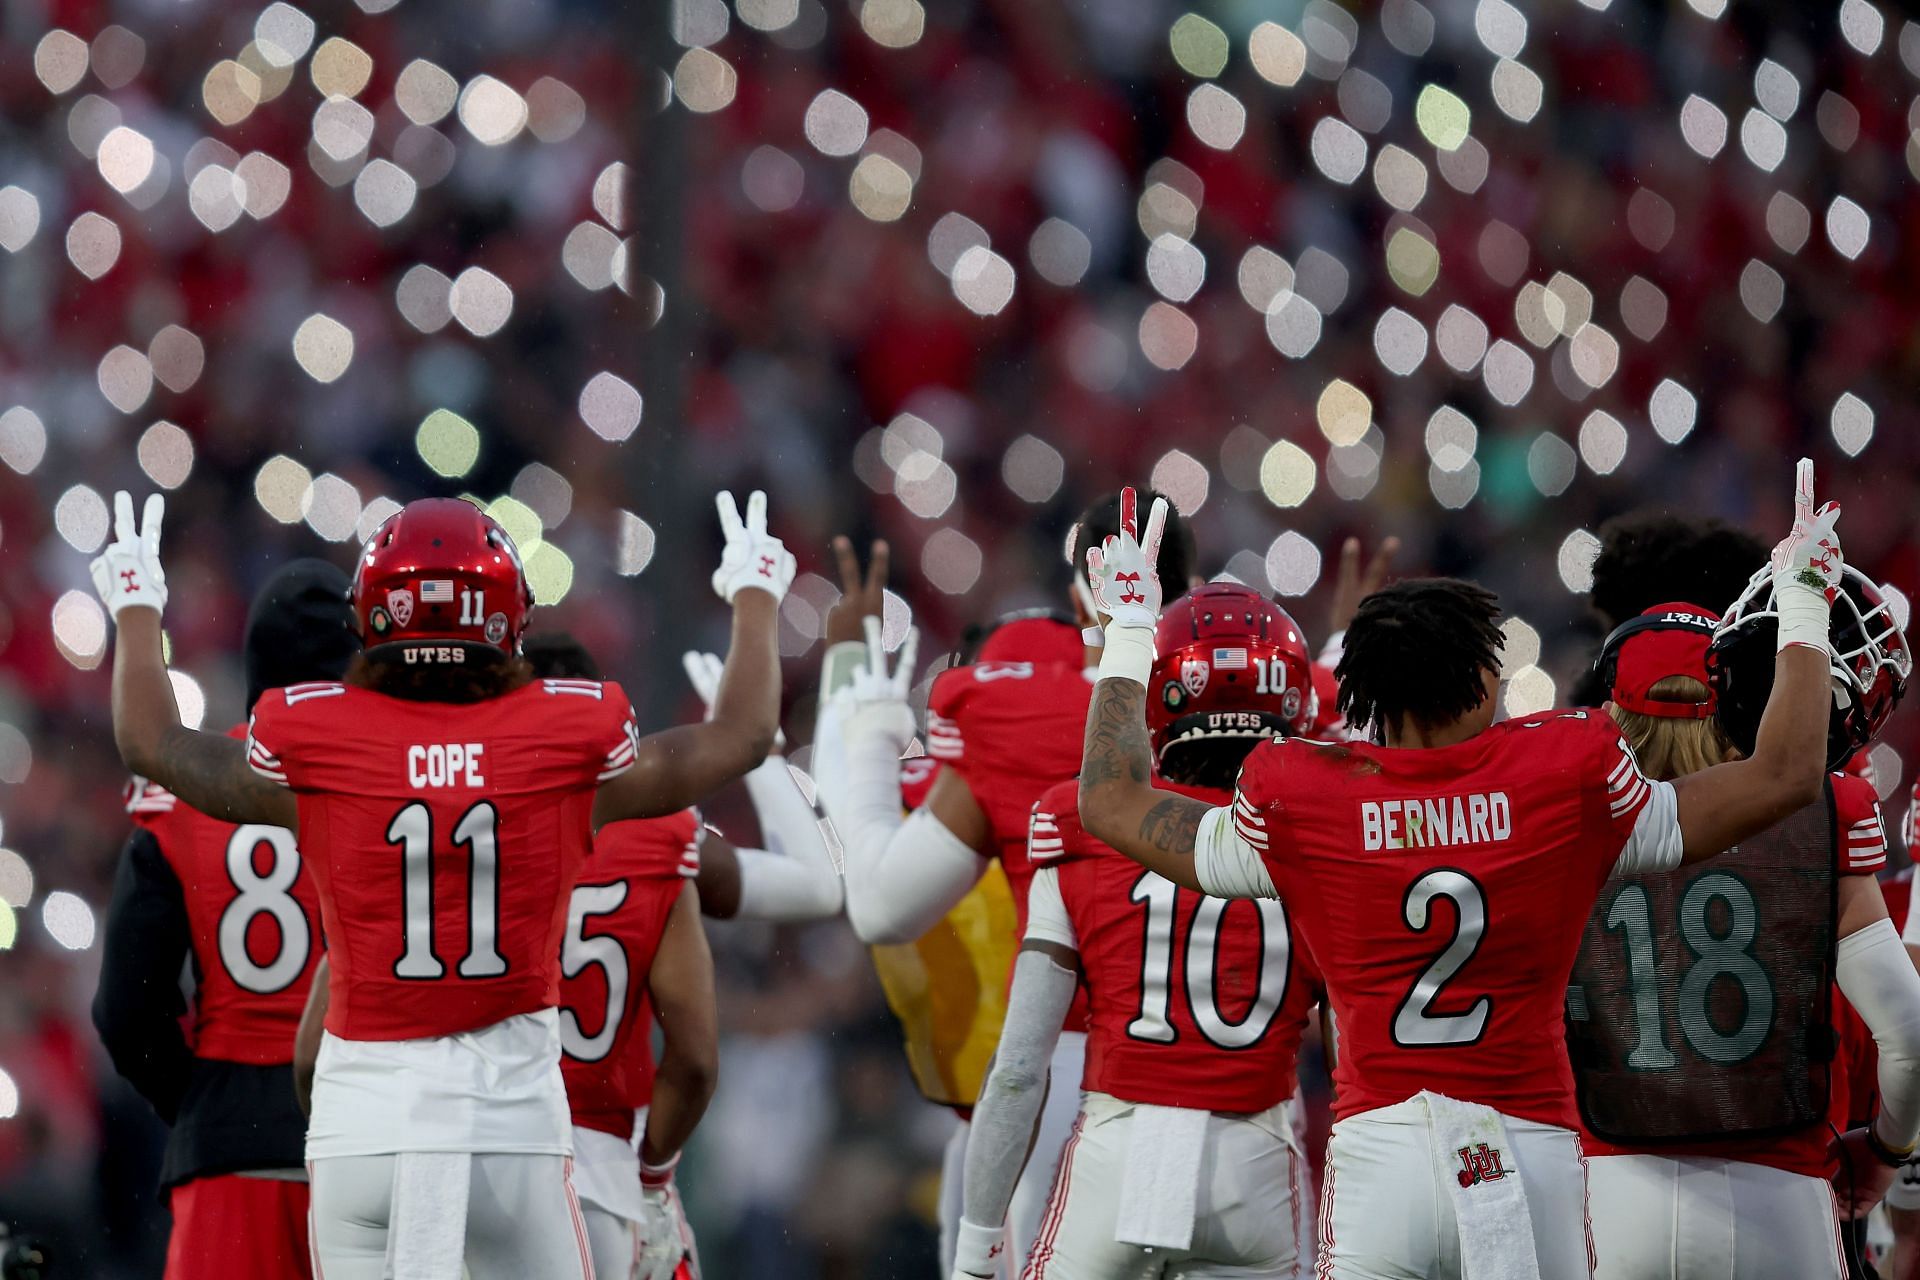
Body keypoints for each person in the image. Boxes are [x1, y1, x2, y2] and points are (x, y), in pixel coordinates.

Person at [1071, 465, 1843, 1279]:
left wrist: (1129, 626)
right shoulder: (1564, 770)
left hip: (1381, 1160)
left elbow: (1113, 800)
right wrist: (1801, 600)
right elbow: (1784, 774)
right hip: (1526, 1148)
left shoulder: (1299, 790)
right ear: (1483, 679)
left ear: (1366, 694)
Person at [88, 490, 791, 1278]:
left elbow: (150, 741)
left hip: (364, 1129)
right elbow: (744, 735)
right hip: (511, 1133)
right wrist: (756, 594)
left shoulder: (319, 740)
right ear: (508, 616)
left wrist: (137, 607)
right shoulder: (564, 741)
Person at [820, 492, 1197, 1275]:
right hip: (1250, 1090)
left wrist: (858, 715)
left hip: (1079, 1084)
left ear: (1076, 592)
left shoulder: (1019, 699)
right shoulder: (1269, 690)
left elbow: (881, 903)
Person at [951, 583, 1326, 1279]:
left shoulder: (1080, 823)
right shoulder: (1320, 839)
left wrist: (976, 1252)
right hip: (1255, 1167)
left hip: (1116, 1161)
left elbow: (1017, 1073)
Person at [1567, 591, 1920, 1279]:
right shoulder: (1827, 805)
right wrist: (1885, 1151)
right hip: (1782, 1202)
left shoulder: (1563, 816)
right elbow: (1908, 1030)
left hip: (1608, 1200)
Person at [91, 561, 358, 1280]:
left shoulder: (180, 795)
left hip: (229, 1158)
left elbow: (125, 1009)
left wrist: (212, 1102)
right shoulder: (393, 788)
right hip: (368, 1140)